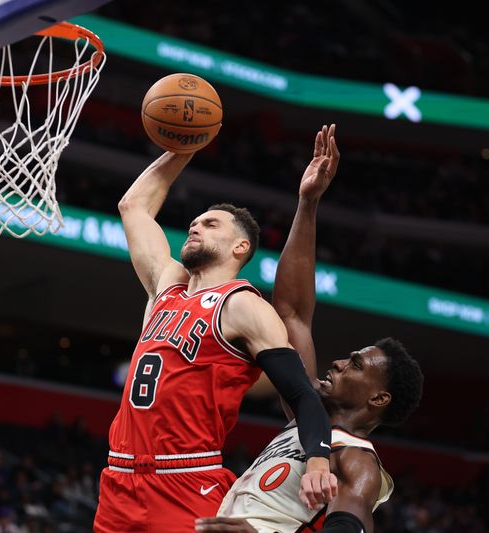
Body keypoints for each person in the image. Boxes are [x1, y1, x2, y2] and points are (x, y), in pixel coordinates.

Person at [94, 132, 339, 532]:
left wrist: (317, 457)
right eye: (193, 223)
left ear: (241, 247)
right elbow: (134, 205)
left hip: (186, 479)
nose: (195, 228)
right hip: (118, 480)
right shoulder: (166, 285)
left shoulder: (243, 305)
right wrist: (183, 148)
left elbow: (300, 392)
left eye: (210, 224)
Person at [195, 125, 424, 532]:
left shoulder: (358, 462)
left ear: (378, 398)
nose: (337, 362)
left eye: (355, 365)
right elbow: (293, 313)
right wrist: (308, 201)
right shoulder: (308, 423)